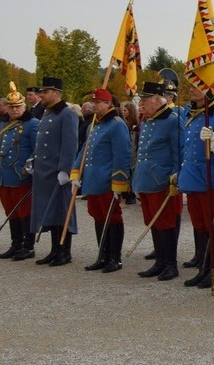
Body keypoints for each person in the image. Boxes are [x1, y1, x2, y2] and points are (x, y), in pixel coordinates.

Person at [71, 88, 131, 273]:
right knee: (98, 216)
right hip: (93, 179)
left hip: (107, 180)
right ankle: (103, 255)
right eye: (93, 102)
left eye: (98, 103)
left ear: (108, 104)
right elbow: (84, 150)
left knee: (112, 218)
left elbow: (122, 155)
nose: (94, 105)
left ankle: (115, 257)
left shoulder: (116, 124)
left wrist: (119, 183)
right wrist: (75, 173)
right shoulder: (94, 125)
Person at [178, 85, 214, 288]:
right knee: (199, 224)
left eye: (197, 86)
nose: (192, 90)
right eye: (190, 86)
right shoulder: (190, 113)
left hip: (210, 177)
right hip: (192, 177)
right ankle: (203, 268)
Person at [132, 80, 182, 281]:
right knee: (153, 222)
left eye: (145, 99)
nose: (141, 103)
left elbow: (178, 152)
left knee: (165, 223)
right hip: (146, 178)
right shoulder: (148, 120)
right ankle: (160, 261)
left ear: (157, 100)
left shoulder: (172, 120)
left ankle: (170, 264)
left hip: (161, 180)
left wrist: (175, 176)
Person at [30, 77, 80, 266]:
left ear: (57, 93)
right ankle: (54, 250)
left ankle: (64, 251)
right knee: (49, 211)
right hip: (44, 171)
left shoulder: (67, 114)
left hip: (57, 171)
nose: (41, 95)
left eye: (46, 91)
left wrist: (65, 170)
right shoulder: (48, 113)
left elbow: (70, 143)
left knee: (61, 211)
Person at [0, 83, 39, 259]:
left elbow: (37, 149)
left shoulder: (32, 124)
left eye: (17, 106)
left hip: (21, 175)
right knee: (10, 210)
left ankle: (28, 246)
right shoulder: (4, 125)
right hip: (5, 174)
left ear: (24, 106)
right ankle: (15, 244)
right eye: (11, 107)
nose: (14, 110)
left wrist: (31, 163)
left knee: (24, 212)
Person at [120, 101, 140, 206]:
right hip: (125, 149)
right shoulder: (121, 122)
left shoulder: (134, 124)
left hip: (132, 150)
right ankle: (125, 195)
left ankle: (131, 194)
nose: (123, 112)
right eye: (122, 110)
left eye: (125, 110)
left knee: (131, 173)